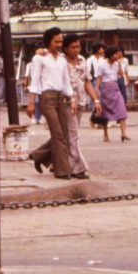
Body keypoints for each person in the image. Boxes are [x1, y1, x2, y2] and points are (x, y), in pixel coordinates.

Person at [34, 33, 99, 179]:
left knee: (65, 135)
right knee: (73, 136)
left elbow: (87, 81)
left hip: (80, 101)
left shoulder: (82, 60)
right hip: (65, 102)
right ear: (65, 48)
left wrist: (96, 100)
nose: (76, 50)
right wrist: (39, 51)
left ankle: (42, 157)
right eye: (73, 47)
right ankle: (77, 168)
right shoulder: (59, 59)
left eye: (78, 46)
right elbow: (42, 55)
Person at [26, 27, 78, 180]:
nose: (59, 44)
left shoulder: (62, 59)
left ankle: (38, 156)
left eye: (61, 41)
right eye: (56, 41)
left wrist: (72, 98)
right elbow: (35, 81)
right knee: (58, 134)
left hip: (62, 97)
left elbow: (66, 81)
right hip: (46, 98)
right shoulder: (39, 58)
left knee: (64, 134)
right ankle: (62, 171)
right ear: (48, 41)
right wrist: (31, 102)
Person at [97, 45, 130, 142]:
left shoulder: (116, 64)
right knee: (105, 112)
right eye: (115, 54)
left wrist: (119, 65)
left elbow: (120, 74)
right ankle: (105, 134)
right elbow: (99, 78)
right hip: (106, 88)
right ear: (110, 55)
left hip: (115, 87)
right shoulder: (102, 65)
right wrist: (96, 90)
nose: (117, 56)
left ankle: (123, 133)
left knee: (122, 109)